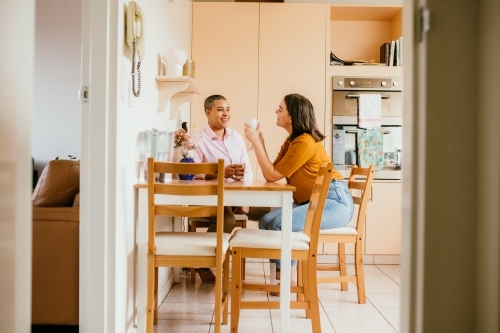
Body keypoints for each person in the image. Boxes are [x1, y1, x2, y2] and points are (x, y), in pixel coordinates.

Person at [244, 93, 354, 285]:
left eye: (280, 109)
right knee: (266, 221)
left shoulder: (305, 141)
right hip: (313, 201)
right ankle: (280, 276)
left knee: (280, 224)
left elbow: (271, 176)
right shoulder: (291, 142)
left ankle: (289, 281)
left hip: (335, 201)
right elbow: (272, 171)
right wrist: (260, 142)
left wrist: (255, 143)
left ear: (292, 116)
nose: (276, 112)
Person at [194, 94, 269, 283]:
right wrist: (221, 173)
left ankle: (279, 269)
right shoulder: (198, 138)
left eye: (228, 109)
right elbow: (193, 172)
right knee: (227, 219)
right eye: (220, 109)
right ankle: (202, 263)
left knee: (273, 212)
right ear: (208, 112)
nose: (225, 113)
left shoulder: (235, 136)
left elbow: (248, 170)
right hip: (211, 196)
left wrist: (245, 200)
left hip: (237, 196)